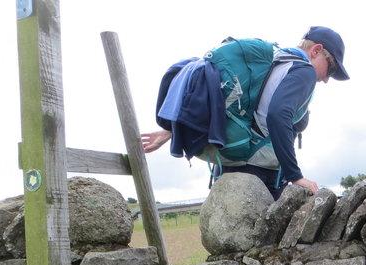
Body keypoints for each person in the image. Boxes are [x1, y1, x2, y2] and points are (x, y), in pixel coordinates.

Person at [141, 26, 349, 199]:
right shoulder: (303, 71)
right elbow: (277, 115)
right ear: (316, 50)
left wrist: (172, 131)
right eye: (330, 69)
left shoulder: (275, 62)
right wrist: (295, 176)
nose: (326, 79)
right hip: (260, 172)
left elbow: (228, 103)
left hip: (229, 165)